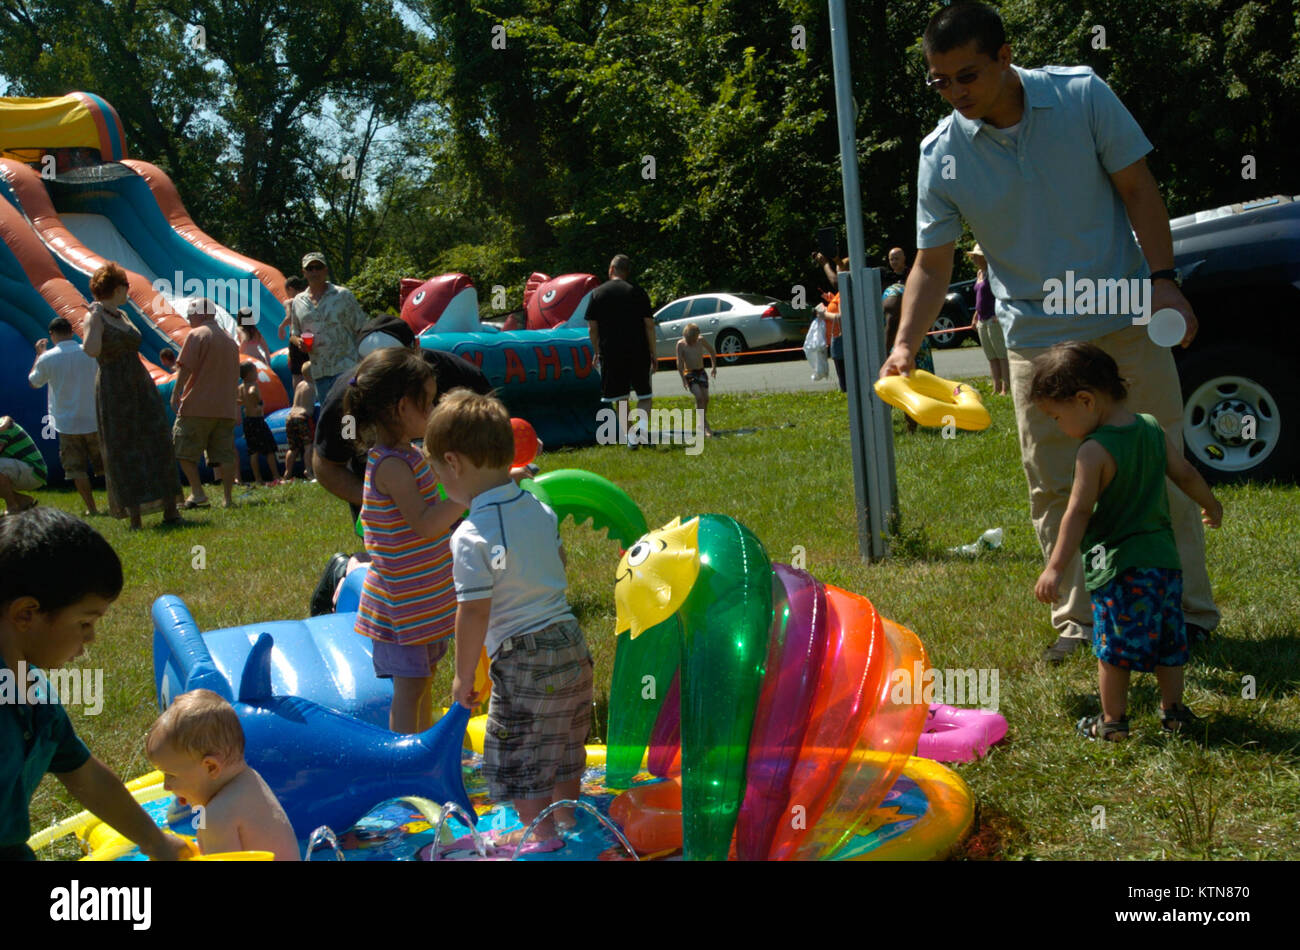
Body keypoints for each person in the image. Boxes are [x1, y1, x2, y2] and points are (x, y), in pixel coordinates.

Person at [880, 1, 1218, 663]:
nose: (954, 93)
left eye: (967, 75)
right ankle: (1080, 623)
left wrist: (1164, 278)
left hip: (1124, 321)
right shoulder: (940, 155)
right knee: (1057, 488)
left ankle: (1190, 616)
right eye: (939, 81)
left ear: (1006, 57)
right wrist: (903, 345)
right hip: (1038, 342)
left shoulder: (1082, 94)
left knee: (1161, 470)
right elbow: (933, 259)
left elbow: (1138, 188)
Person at [426, 390, 593, 849]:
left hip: (524, 658)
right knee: (562, 746)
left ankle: (541, 837)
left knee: (518, 753)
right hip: (571, 642)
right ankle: (570, 823)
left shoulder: (470, 536)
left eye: (438, 472)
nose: (441, 482)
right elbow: (556, 558)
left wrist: (463, 677)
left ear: (454, 463)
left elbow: (474, 610)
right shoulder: (538, 508)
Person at [1030, 342, 1221, 739]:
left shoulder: (1093, 451)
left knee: (1112, 650)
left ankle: (1113, 723)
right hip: (1165, 563)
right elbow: (1184, 473)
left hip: (1118, 568)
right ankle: (1174, 714)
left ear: (1085, 400)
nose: (1057, 426)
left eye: (1056, 416)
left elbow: (1078, 512)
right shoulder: (1151, 427)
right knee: (1171, 641)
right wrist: (1211, 503)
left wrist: (1055, 568)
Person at [0, 507, 188, 861]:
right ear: (26, 614)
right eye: (85, 623)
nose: (92, 638)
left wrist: (155, 840)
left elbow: (82, 773)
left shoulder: (30, 691)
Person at [345, 347, 464, 733]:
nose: (432, 411)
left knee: (424, 680)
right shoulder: (391, 465)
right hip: (402, 602)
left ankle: (422, 744)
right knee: (410, 688)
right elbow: (426, 523)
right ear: (401, 408)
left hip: (421, 596)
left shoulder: (409, 454)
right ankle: (405, 757)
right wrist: (466, 498)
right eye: (426, 403)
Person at [313, 314, 492, 525]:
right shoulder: (348, 404)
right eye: (378, 370)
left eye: (397, 369)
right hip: (400, 528)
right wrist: (380, 503)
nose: (386, 384)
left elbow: (494, 426)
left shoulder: (456, 375)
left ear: (416, 348)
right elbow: (328, 465)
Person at [81, 262, 183, 529]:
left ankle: (170, 508)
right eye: (126, 286)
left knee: (157, 439)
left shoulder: (122, 315)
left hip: (139, 384)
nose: (128, 290)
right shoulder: (95, 315)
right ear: (116, 288)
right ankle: (135, 514)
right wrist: (92, 320)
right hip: (114, 387)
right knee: (123, 447)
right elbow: (91, 350)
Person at [145, 689, 299, 859]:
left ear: (211, 767)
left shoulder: (216, 817)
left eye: (171, 775)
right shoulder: (252, 781)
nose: (166, 786)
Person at [27, 318, 103, 516]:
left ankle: (91, 508)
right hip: (94, 417)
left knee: (76, 469)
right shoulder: (89, 353)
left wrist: (39, 355)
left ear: (52, 335)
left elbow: (34, 382)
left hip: (66, 422)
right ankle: (117, 504)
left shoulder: (47, 358)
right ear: (72, 331)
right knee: (106, 464)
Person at [172, 298, 240, 510]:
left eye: (190, 315)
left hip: (197, 405)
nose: (188, 319)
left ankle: (198, 492)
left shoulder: (196, 335)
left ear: (199, 314)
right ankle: (227, 499)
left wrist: (176, 393)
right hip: (225, 407)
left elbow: (185, 368)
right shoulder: (230, 341)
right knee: (225, 454)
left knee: (181, 449)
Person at [586, 254, 656, 448]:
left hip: (611, 352)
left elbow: (592, 328)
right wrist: (653, 353)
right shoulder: (638, 292)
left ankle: (632, 439)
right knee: (645, 396)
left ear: (611, 269)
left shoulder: (597, 293)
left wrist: (596, 351)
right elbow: (649, 325)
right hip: (638, 350)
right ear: (627, 272)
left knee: (620, 398)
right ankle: (640, 431)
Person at [289, 253, 366, 399]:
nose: (314, 272)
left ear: (326, 270)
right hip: (319, 371)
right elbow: (294, 333)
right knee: (330, 419)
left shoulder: (343, 295)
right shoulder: (298, 302)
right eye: (310, 268)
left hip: (347, 368)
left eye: (318, 267)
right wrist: (298, 342)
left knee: (348, 416)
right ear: (304, 273)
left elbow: (361, 328)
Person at [881, 281, 935, 435]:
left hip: (901, 346)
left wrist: (884, 353)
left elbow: (891, 325)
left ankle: (909, 428)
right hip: (917, 341)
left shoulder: (891, 296)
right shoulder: (903, 291)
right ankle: (914, 426)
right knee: (915, 386)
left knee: (900, 386)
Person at [968, 244, 1009, 394]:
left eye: (977, 256)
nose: (974, 259)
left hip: (993, 318)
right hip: (981, 319)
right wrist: (975, 317)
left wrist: (999, 314)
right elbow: (979, 299)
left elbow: (999, 293)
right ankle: (996, 387)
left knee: (1001, 354)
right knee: (991, 356)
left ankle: (1005, 387)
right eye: (974, 256)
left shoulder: (993, 273)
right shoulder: (979, 273)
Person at [237, 363, 282, 487]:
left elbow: (238, 400)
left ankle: (258, 478)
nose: (257, 374)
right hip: (257, 420)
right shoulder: (253, 385)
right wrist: (257, 401)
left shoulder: (240, 387)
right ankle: (276, 475)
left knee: (253, 451)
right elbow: (252, 391)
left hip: (248, 421)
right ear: (250, 374)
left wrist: (246, 404)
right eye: (255, 372)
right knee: (269, 449)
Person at [676, 323, 718, 437]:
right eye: (690, 340)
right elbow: (679, 363)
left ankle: (701, 421)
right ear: (685, 337)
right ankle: (705, 426)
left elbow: (712, 351)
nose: (693, 342)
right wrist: (683, 379)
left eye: (694, 340)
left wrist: (714, 367)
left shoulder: (700, 340)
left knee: (706, 398)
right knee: (699, 397)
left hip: (701, 372)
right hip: (689, 373)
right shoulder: (681, 344)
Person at [0, 416, 45, 514]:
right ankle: (23, 500)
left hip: (34, 471)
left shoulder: (2, 426)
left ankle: (12, 507)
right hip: (24, 470)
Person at [283, 361, 316, 482]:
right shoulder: (312, 386)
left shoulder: (299, 385)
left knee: (293, 448)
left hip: (290, 417)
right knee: (308, 445)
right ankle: (308, 470)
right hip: (303, 417)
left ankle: (287, 473)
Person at [279, 276, 309, 393]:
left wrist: (281, 327)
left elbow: (289, 317)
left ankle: (298, 396)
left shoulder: (290, 302)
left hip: (296, 339)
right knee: (310, 368)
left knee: (296, 372)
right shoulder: (308, 298)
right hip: (309, 337)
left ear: (290, 289)